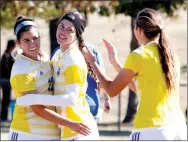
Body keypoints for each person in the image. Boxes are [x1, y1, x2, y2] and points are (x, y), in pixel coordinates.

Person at [82, 8, 187, 140]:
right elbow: (140, 87)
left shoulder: (138, 55)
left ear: (138, 29)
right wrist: (115, 63)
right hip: (178, 128)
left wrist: (92, 62)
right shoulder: (171, 56)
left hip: (151, 128)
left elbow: (111, 90)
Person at [15, 11, 100, 140]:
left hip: (81, 131)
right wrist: (20, 56)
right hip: (69, 131)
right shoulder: (58, 55)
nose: (63, 31)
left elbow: (72, 99)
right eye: (61, 26)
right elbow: (39, 65)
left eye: (69, 30)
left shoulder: (73, 59)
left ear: (77, 35)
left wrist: (34, 99)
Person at [51, 42, 112, 121]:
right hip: (91, 105)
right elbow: (102, 76)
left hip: (67, 109)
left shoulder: (58, 52)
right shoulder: (92, 49)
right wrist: (107, 99)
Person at [0, 39, 16, 122]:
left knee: (6, 99)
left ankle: (4, 117)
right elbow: (6, 69)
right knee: (6, 99)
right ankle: (3, 117)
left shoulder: (7, 55)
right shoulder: (6, 56)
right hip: (5, 81)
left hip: (5, 80)